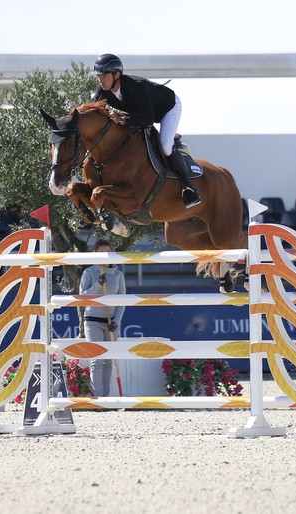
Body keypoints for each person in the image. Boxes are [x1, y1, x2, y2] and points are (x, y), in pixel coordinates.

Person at [92, 53, 201, 209]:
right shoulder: (102, 90)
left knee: (164, 146)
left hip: (167, 109)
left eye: (104, 76)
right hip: (141, 113)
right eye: (98, 76)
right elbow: (94, 113)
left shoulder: (136, 86)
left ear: (117, 74)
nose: (101, 80)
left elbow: (148, 119)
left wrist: (122, 120)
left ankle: (189, 187)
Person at [79, 239, 126, 397]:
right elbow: (82, 297)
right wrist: (98, 284)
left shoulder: (119, 274)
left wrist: (116, 321)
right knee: (96, 360)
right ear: (95, 254)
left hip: (111, 322)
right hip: (93, 320)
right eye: (101, 252)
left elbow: (123, 301)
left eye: (107, 252)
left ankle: (106, 398)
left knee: (108, 361)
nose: (105, 255)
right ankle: (97, 397)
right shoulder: (89, 272)